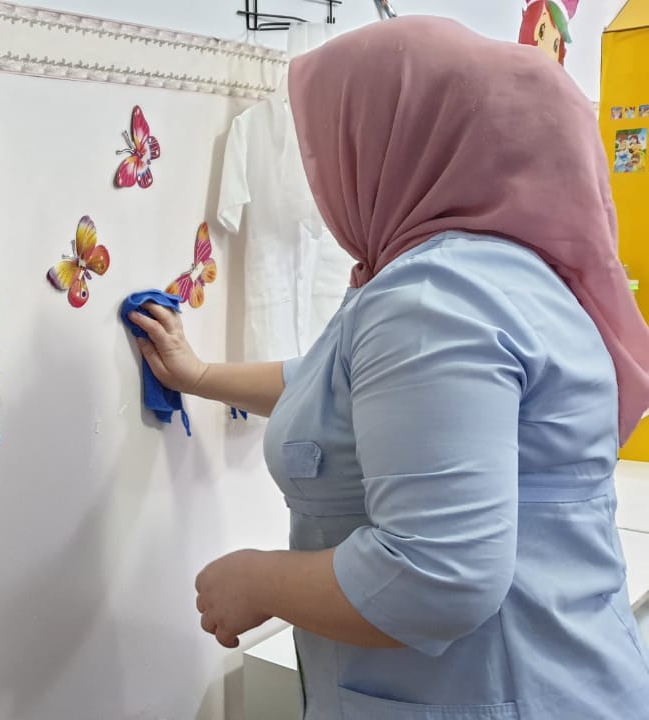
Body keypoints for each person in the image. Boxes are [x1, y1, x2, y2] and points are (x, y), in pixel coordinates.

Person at [130, 16, 649, 720]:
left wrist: (257, 582)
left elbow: (436, 576)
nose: (322, 180)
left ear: (395, 145)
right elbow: (333, 387)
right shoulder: (490, 273)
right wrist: (197, 375)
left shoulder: (435, 299)